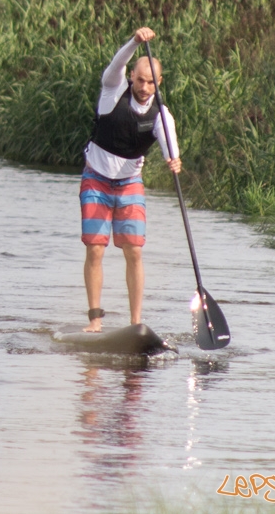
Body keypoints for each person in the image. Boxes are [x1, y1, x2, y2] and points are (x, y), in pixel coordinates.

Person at [80, 26, 182, 333]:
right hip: (96, 180)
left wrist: (172, 160)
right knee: (96, 248)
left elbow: (169, 144)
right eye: (140, 80)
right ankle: (95, 321)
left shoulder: (162, 115)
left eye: (151, 82)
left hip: (129, 184)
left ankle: (135, 324)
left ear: (159, 83)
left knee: (134, 250)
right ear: (131, 77)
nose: (144, 86)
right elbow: (115, 64)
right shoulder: (113, 89)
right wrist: (134, 42)